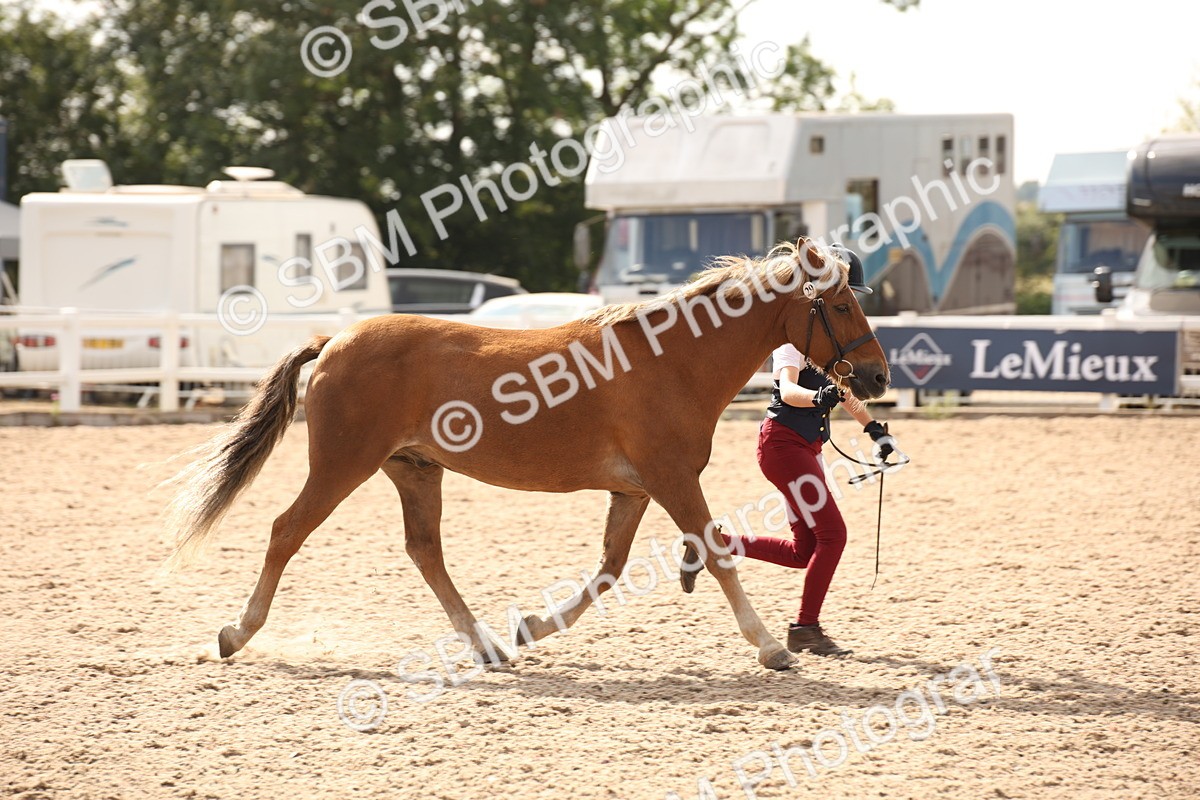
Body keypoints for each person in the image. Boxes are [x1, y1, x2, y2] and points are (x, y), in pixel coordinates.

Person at [734, 245, 898, 657]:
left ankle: (717, 545)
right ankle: (806, 627)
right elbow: (789, 392)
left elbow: (844, 393)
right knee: (834, 535)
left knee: (803, 550)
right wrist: (820, 396)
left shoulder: (828, 343)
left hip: (804, 448)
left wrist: (873, 428)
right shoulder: (793, 342)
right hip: (784, 446)